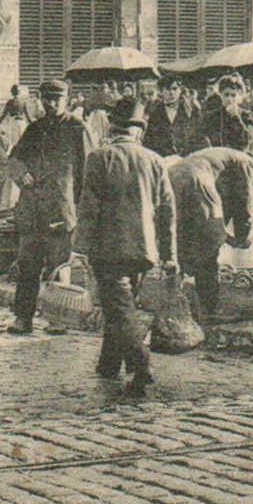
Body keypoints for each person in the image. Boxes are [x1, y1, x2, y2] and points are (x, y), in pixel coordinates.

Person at [73, 96, 176, 396]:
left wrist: (79, 248)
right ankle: (108, 363)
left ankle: (141, 367)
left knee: (119, 309)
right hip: (144, 250)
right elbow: (167, 212)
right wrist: (168, 254)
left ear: (112, 128)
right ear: (139, 132)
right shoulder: (156, 161)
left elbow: (88, 208)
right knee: (119, 305)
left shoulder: (100, 158)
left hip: (108, 249)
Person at [5, 79, 91, 335]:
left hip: (61, 210)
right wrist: (21, 175)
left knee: (58, 267)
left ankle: (58, 318)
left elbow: (88, 172)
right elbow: (14, 159)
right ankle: (23, 317)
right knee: (28, 265)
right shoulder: (35, 128)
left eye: (57, 99)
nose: (51, 104)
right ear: (40, 100)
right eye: (46, 99)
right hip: (32, 210)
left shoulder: (78, 128)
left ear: (67, 100)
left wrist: (81, 209)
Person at [168, 146, 253, 320]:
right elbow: (243, 199)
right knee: (208, 246)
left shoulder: (220, 157)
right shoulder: (247, 163)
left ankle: (178, 303)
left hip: (172, 175)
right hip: (196, 179)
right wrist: (243, 235)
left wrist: (224, 232)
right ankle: (210, 310)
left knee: (182, 239)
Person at [191, 74, 253, 154]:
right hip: (218, 159)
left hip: (238, 159)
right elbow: (197, 138)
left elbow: (247, 142)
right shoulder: (212, 116)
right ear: (220, 94)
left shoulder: (246, 116)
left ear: (239, 95)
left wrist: (236, 118)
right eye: (226, 95)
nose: (229, 99)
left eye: (233, 95)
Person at [144, 76, 199, 158]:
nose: (171, 93)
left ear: (180, 90)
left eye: (174, 89)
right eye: (167, 89)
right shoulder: (155, 112)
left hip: (188, 158)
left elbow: (199, 136)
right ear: (161, 91)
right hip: (163, 159)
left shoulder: (191, 111)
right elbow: (149, 141)